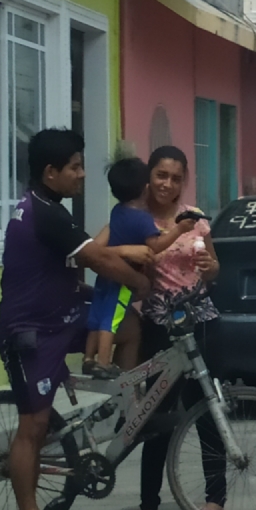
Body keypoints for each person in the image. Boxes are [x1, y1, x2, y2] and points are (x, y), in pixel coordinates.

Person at [0, 129, 150, 510]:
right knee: (35, 424)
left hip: (63, 317)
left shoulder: (51, 208)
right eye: (75, 168)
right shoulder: (44, 213)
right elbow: (99, 259)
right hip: (30, 332)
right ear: (51, 173)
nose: (82, 175)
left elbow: (66, 274)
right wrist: (142, 284)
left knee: (129, 327)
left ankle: (127, 401)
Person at [132, 145, 223, 510]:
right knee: (158, 414)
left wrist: (210, 266)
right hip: (157, 324)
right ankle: (149, 505)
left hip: (199, 320)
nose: (167, 184)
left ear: (184, 180)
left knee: (207, 409)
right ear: (149, 177)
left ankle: (215, 499)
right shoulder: (136, 221)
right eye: (160, 176)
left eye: (175, 177)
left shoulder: (197, 220)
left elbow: (215, 269)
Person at [83, 158, 198, 376]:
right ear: (146, 188)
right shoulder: (143, 219)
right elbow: (155, 246)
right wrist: (179, 230)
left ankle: (89, 358)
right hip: (123, 277)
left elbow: (100, 247)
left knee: (96, 316)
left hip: (105, 276)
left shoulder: (117, 211)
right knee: (111, 319)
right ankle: (103, 363)